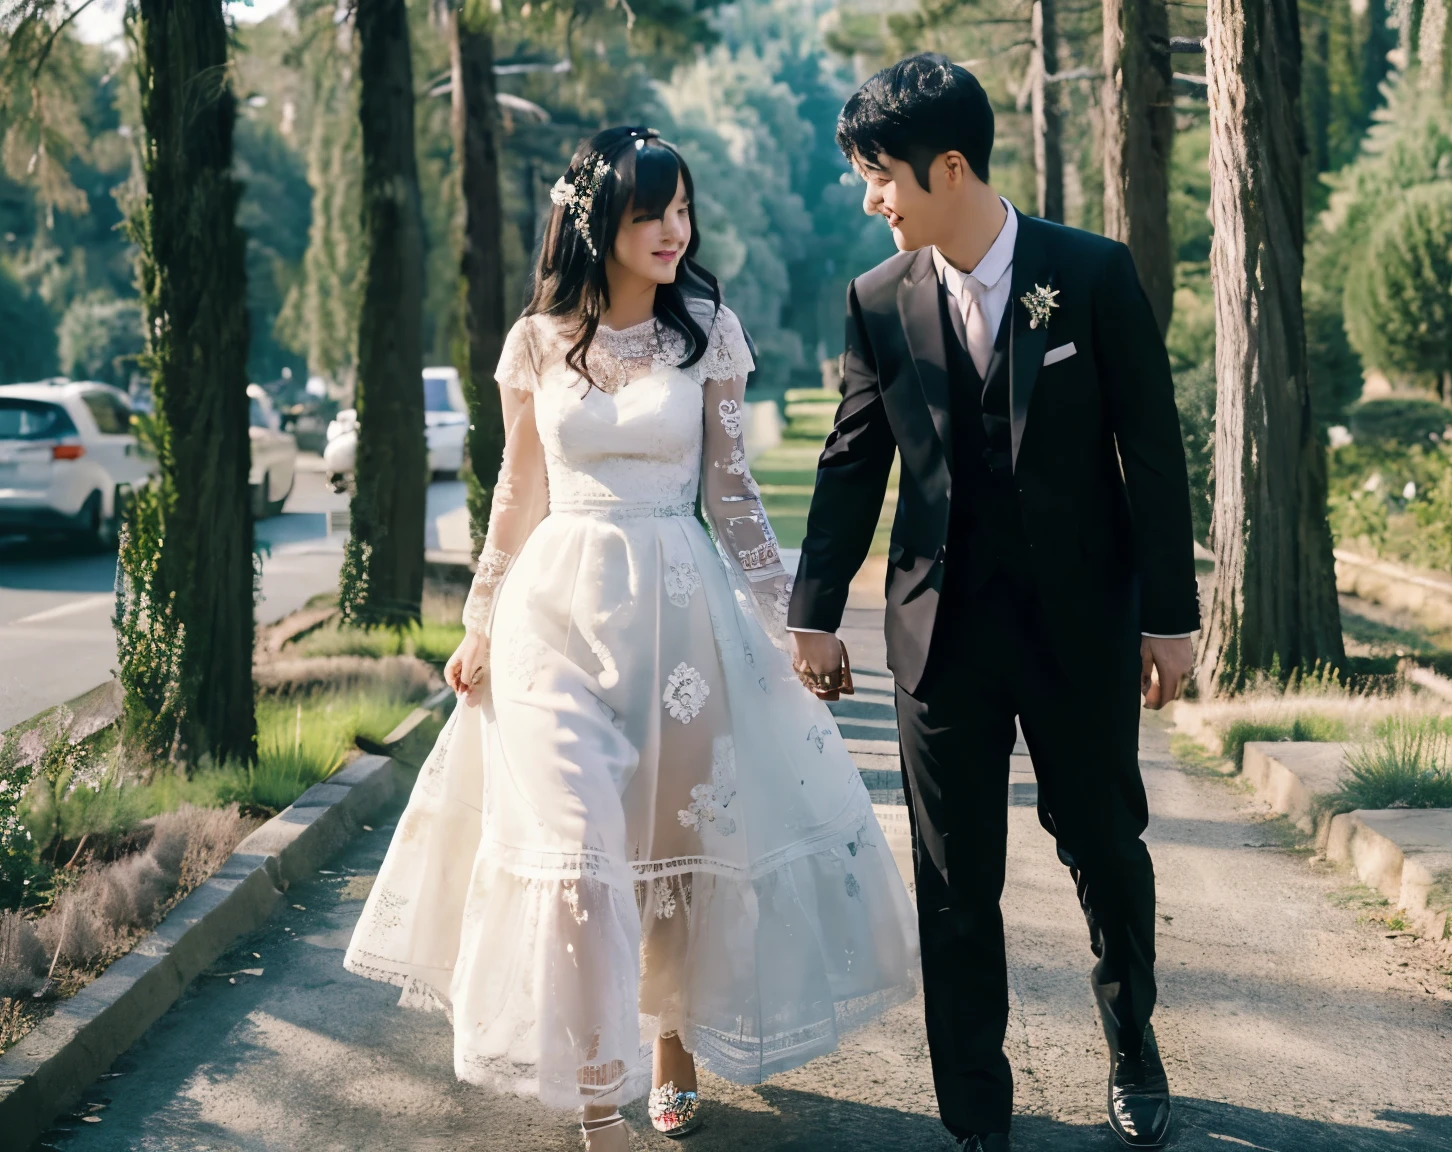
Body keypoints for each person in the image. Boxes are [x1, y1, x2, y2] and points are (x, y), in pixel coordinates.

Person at [344, 126, 918, 1152]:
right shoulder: (536, 342)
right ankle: (598, 1103)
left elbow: (734, 492)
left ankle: (671, 1042)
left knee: (674, 854)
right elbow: (518, 493)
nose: (670, 231)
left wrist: (793, 619)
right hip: (552, 621)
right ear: (594, 219)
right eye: (649, 212)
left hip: (680, 618)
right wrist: (479, 622)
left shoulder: (707, 331)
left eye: (681, 211)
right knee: (578, 854)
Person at [787, 55, 1200, 1150]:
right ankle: (975, 1105)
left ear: (951, 166)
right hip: (939, 636)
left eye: (882, 177)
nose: (872, 199)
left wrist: (1171, 617)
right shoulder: (877, 301)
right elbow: (850, 460)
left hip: (1079, 629)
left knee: (1106, 848)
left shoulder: (1093, 275)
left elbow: (1152, 457)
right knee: (953, 879)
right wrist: (815, 610)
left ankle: (1134, 1045)